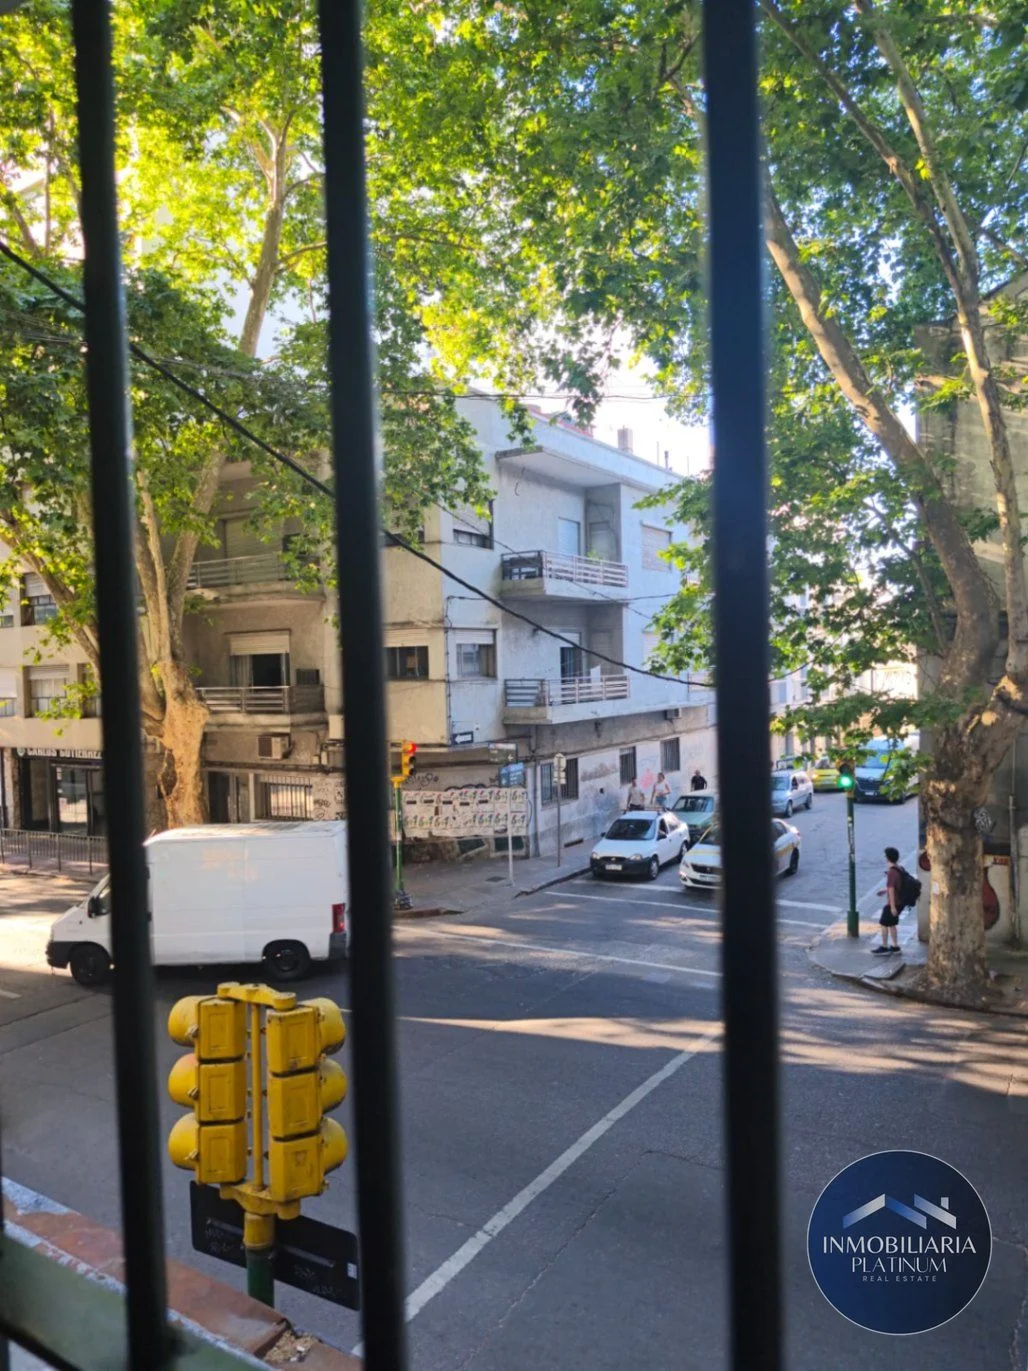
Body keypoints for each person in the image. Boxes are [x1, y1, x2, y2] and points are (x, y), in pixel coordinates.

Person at [873, 846, 903, 954]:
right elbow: (896, 886)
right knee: (892, 924)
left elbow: (891, 889)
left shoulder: (891, 872)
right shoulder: (900, 868)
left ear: (888, 858)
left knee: (884, 924)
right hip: (900, 901)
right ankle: (895, 946)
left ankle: (884, 946)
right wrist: (884, 890)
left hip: (893, 903)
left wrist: (892, 906)